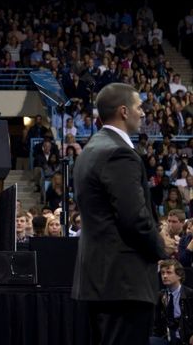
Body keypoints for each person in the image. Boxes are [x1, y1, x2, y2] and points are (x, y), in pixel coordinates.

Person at [72, 83, 166, 345]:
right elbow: (133, 218)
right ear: (124, 111)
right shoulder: (119, 153)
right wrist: (161, 246)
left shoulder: (90, 149)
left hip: (99, 281)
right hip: (123, 283)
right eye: (139, 107)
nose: (143, 113)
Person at [151, 259, 193, 345]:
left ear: (179, 275)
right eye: (162, 273)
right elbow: (156, 324)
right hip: (168, 339)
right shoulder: (160, 296)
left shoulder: (190, 295)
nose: (165, 276)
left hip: (187, 339)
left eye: (169, 272)